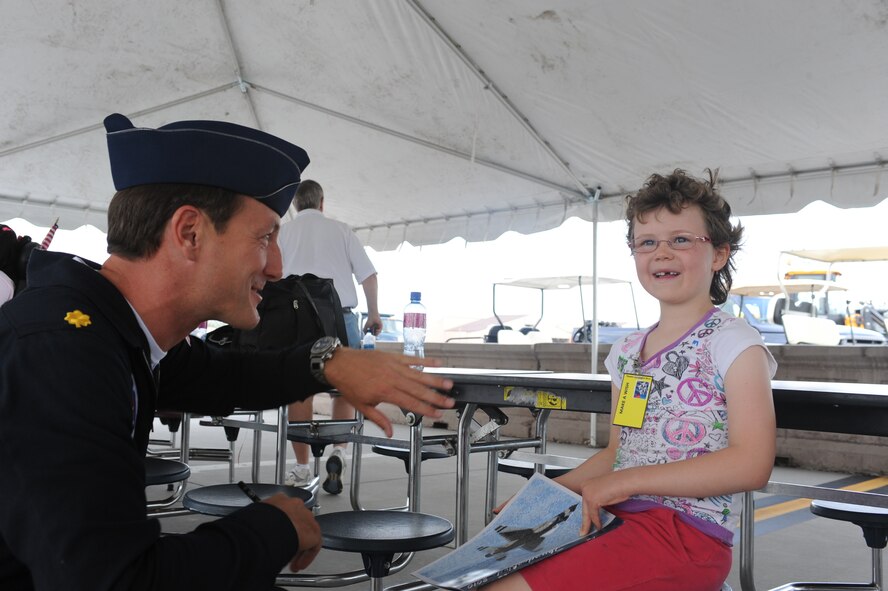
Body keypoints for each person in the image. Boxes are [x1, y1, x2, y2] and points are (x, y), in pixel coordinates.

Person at [0, 113, 454, 591]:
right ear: (190, 233)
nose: (278, 268)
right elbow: (119, 581)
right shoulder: (60, 353)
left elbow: (224, 373)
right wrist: (273, 526)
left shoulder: (108, 327)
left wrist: (330, 363)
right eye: (264, 238)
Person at [484, 169, 777, 591]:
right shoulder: (626, 354)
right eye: (647, 243)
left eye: (680, 239)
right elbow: (620, 452)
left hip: (686, 537)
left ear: (718, 254)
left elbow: (752, 463)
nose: (661, 253)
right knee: (490, 571)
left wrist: (625, 482)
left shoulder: (734, 344)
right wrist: (543, 498)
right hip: (615, 518)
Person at [277, 179, 382, 493]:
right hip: (341, 318)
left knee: (300, 391)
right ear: (322, 202)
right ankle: (338, 451)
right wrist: (374, 313)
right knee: (344, 389)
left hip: (295, 318)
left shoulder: (284, 232)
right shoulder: (341, 230)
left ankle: (300, 467)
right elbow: (368, 275)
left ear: (296, 204)